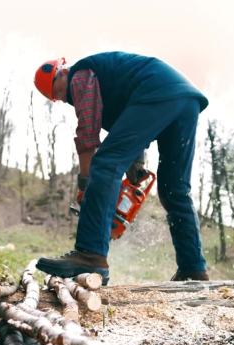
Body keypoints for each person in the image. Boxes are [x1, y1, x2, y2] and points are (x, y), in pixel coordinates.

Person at [33, 51, 210, 285]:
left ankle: (90, 253)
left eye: (57, 90)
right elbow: (130, 123)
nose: (63, 98)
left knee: (105, 164)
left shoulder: (80, 75)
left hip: (158, 92)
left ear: (62, 72)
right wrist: (137, 164)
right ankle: (193, 269)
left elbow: (88, 134)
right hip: (185, 101)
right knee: (174, 189)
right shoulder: (108, 83)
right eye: (55, 98)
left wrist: (85, 184)